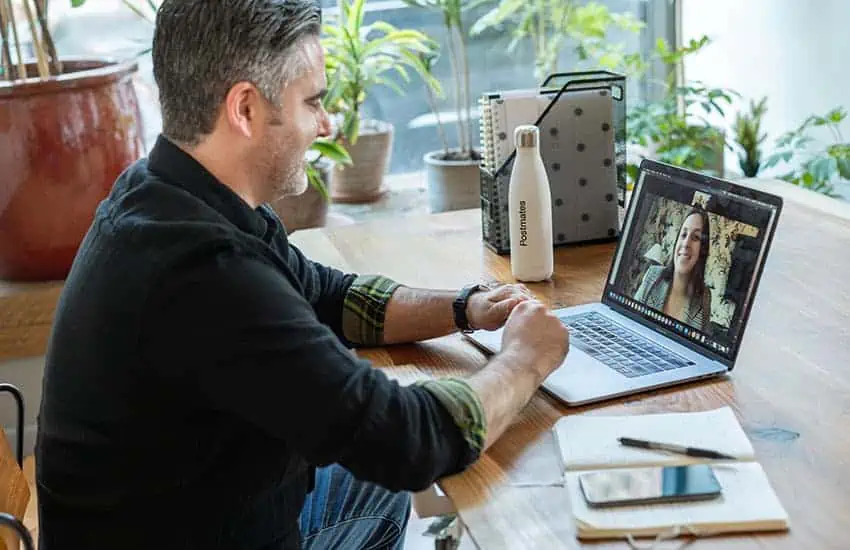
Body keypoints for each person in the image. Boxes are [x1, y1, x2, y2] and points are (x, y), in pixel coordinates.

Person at [34, 1, 570, 549]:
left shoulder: (169, 192)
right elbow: (411, 443)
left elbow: (329, 296)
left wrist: (466, 306)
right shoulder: (203, 273)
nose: (326, 123)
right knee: (411, 466)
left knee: (373, 478)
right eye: (312, 101)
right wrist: (526, 359)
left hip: (196, 514)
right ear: (244, 108)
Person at [634, 208, 712, 331]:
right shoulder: (653, 274)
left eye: (696, 237)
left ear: (702, 250)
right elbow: (630, 318)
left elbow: (702, 342)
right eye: (684, 234)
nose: (686, 243)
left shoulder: (705, 296)